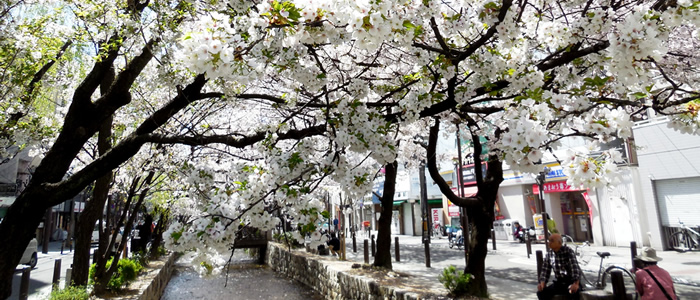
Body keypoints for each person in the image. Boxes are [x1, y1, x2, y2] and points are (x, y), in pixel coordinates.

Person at [537, 234, 581, 300]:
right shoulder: (549, 254)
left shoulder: (568, 251)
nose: (549, 243)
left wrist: (575, 283)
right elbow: (545, 270)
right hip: (559, 282)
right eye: (549, 241)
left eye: (552, 241)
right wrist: (542, 283)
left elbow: (574, 267)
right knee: (541, 293)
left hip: (570, 281)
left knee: (573, 293)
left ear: (559, 243)